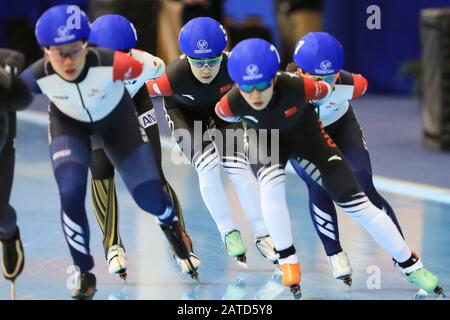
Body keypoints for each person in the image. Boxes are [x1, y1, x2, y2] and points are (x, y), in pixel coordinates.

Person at [215, 37, 444, 299]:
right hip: (268, 140)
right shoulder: (228, 105)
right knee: (271, 188)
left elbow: (337, 88)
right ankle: (290, 258)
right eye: (247, 88)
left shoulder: (311, 87)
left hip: (310, 138)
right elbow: (225, 117)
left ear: (274, 79)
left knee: (359, 202)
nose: (255, 95)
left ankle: (409, 264)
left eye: (262, 85)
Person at [20, 5, 192, 299]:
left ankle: (169, 222)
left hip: (117, 118)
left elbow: (161, 79)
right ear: (45, 51)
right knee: (73, 189)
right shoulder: (36, 76)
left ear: (86, 45)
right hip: (70, 124)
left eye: (74, 50)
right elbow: (11, 95)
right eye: (59, 52)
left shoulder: (128, 64)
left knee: (148, 191)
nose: (68, 60)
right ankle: (86, 268)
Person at [146, 17, 278, 266]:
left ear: (223, 55)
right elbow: (135, 91)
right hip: (184, 115)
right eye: (198, 62)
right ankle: (228, 231)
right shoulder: (171, 77)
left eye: (212, 61)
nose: (206, 69)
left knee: (239, 168)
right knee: (207, 168)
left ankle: (263, 235)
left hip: (222, 113)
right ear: (186, 58)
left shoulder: (234, 66)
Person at [287, 31, 405, 286]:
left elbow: (362, 84)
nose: (326, 86)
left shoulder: (351, 84)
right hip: (305, 138)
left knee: (363, 182)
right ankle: (334, 253)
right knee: (319, 185)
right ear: (299, 72)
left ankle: (401, 252)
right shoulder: (285, 89)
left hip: (342, 127)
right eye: (317, 79)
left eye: (332, 78)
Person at [88, 14, 200, 281]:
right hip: (96, 113)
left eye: (124, 55)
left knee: (154, 175)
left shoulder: (150, 64)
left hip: (135, 107)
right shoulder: (80, 69)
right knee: (101, 170)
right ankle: (112, 246)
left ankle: (180, 240)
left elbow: (175, 82)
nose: (118, 64)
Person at [0, 48, 32, 298]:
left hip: (1, 148)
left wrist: (7, 76)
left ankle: (9, 234)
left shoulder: (4, 66)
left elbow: (24, 99)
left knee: (1, 215)